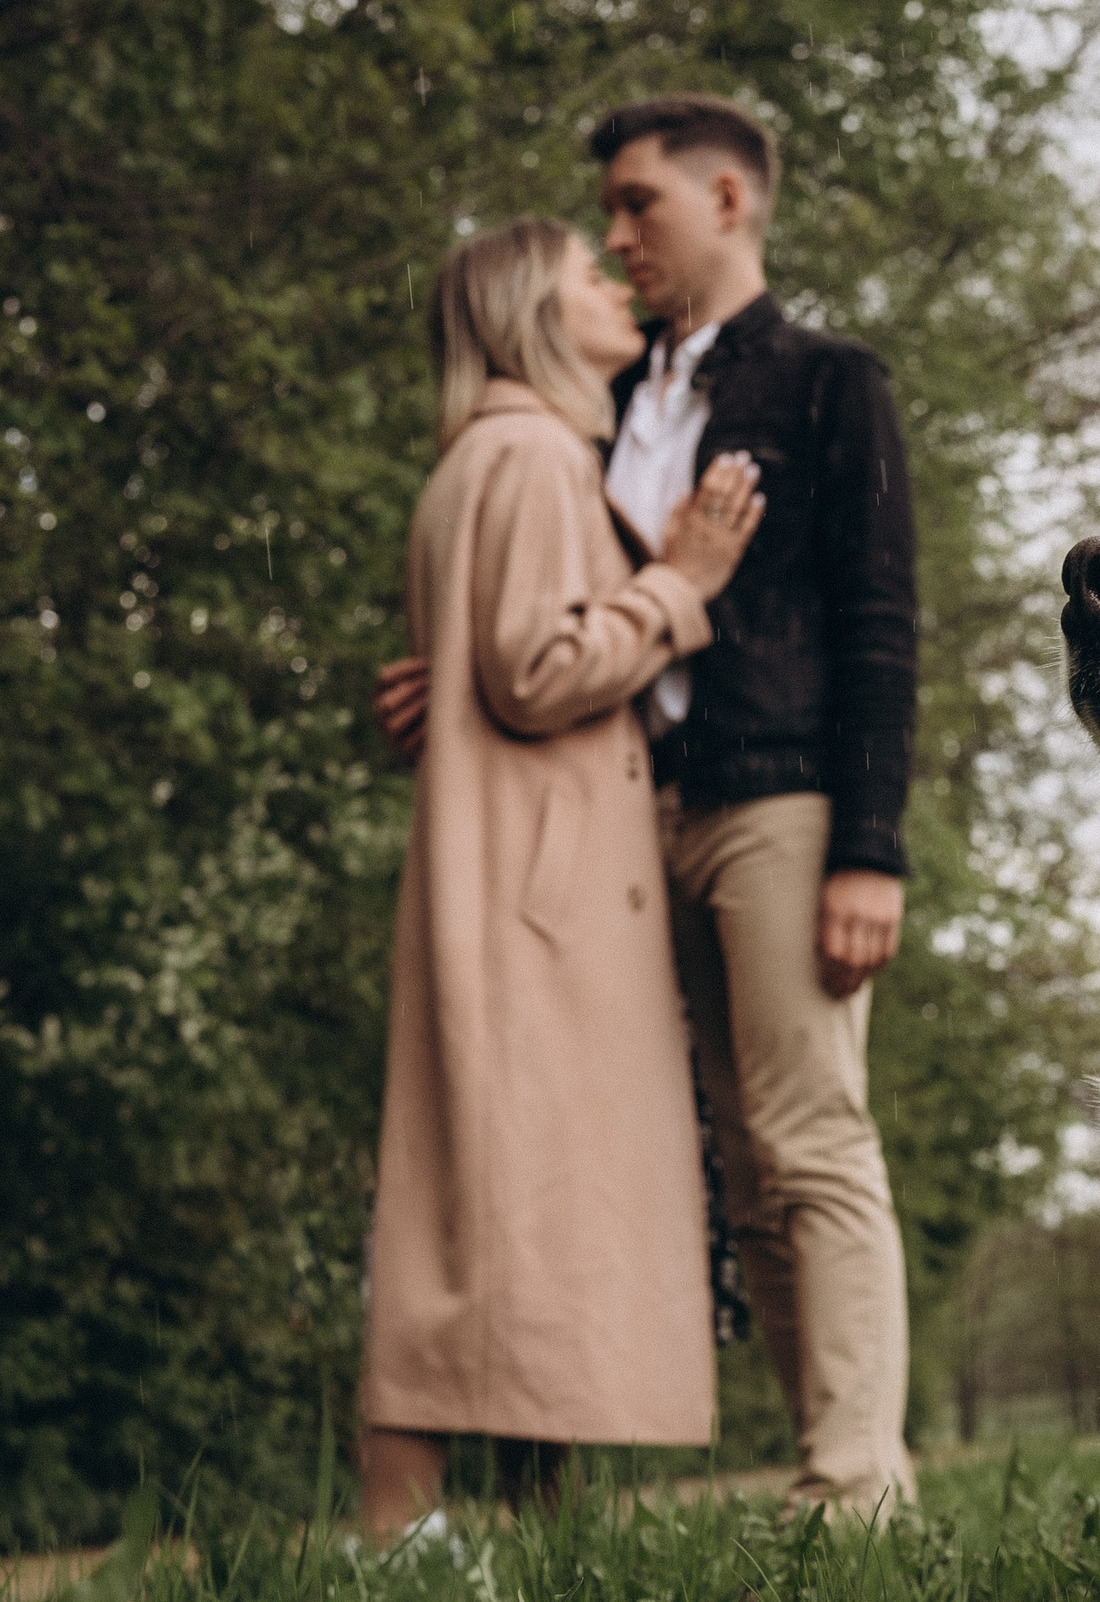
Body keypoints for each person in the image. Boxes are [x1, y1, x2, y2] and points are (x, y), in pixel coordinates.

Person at [375, 94, 921, 1514]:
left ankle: (856, 1492)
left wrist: (869, 849)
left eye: (639, 205)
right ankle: (819, 1468)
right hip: (626, 825)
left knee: (811, 1139)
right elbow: (553, 613)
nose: (617, 239)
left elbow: (879, 624)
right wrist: (456, 679)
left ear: (728, 201)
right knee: (738, 1169)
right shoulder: (598, 402)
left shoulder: (828, 381)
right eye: (608, 216)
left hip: (780, 802)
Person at [358, 215, 765, 1538]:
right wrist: (681, 584)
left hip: (510, 874)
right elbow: (535, 672)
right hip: (543, 893)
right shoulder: (534, 454)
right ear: (534, 312)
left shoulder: (484, 458)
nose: (613, 286)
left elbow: (486, 664)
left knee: (508, 1196)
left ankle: (533, 1537)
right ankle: (397, 1532)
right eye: (588, 274)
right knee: (504, 1196)